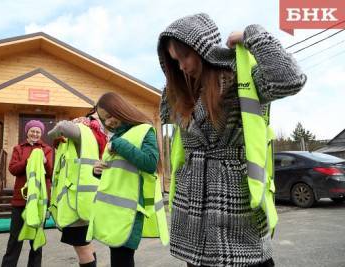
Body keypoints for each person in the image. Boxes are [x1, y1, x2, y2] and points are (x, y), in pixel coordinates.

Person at [157, 13, 307, 267]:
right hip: (191, 208)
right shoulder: (182, 92)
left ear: (204, 48)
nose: (181, 66)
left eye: (185, 56)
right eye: (174, 60)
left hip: (233, 199)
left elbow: (290, 79)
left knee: (248, 261)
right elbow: (163, 117)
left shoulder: (242, 77)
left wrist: (254, 36)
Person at [87, 92, 167, 267]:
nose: (108, 122)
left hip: (131, 209)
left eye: (109, 116)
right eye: (104, 119)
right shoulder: (116, 138)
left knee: (122, 259)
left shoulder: (143, 130)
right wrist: (98, 170)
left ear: (120, 109)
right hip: (113, 211)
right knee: (118, 257)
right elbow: (116, 171)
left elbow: (150, 163)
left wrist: (120, 145)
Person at [48, 113, 107, 267]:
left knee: (82, 248)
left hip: (75, 203)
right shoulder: (96, 137)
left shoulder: (83, 133)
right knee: (86, 244)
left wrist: (52, 133)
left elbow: (61, 127)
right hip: (83, 201)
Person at [2, 120, 53, 267]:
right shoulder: (18, 148)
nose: (35, 134)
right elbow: (13, 169)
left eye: (38, 131)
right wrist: (28, 162)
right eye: (32, 131)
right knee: (15, 238)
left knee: (36, 239)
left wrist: (44, 162)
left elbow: (50, 173)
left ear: (41, 133)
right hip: (20, 200)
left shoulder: (47, 149)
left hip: (38, 201)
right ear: (27, 132)